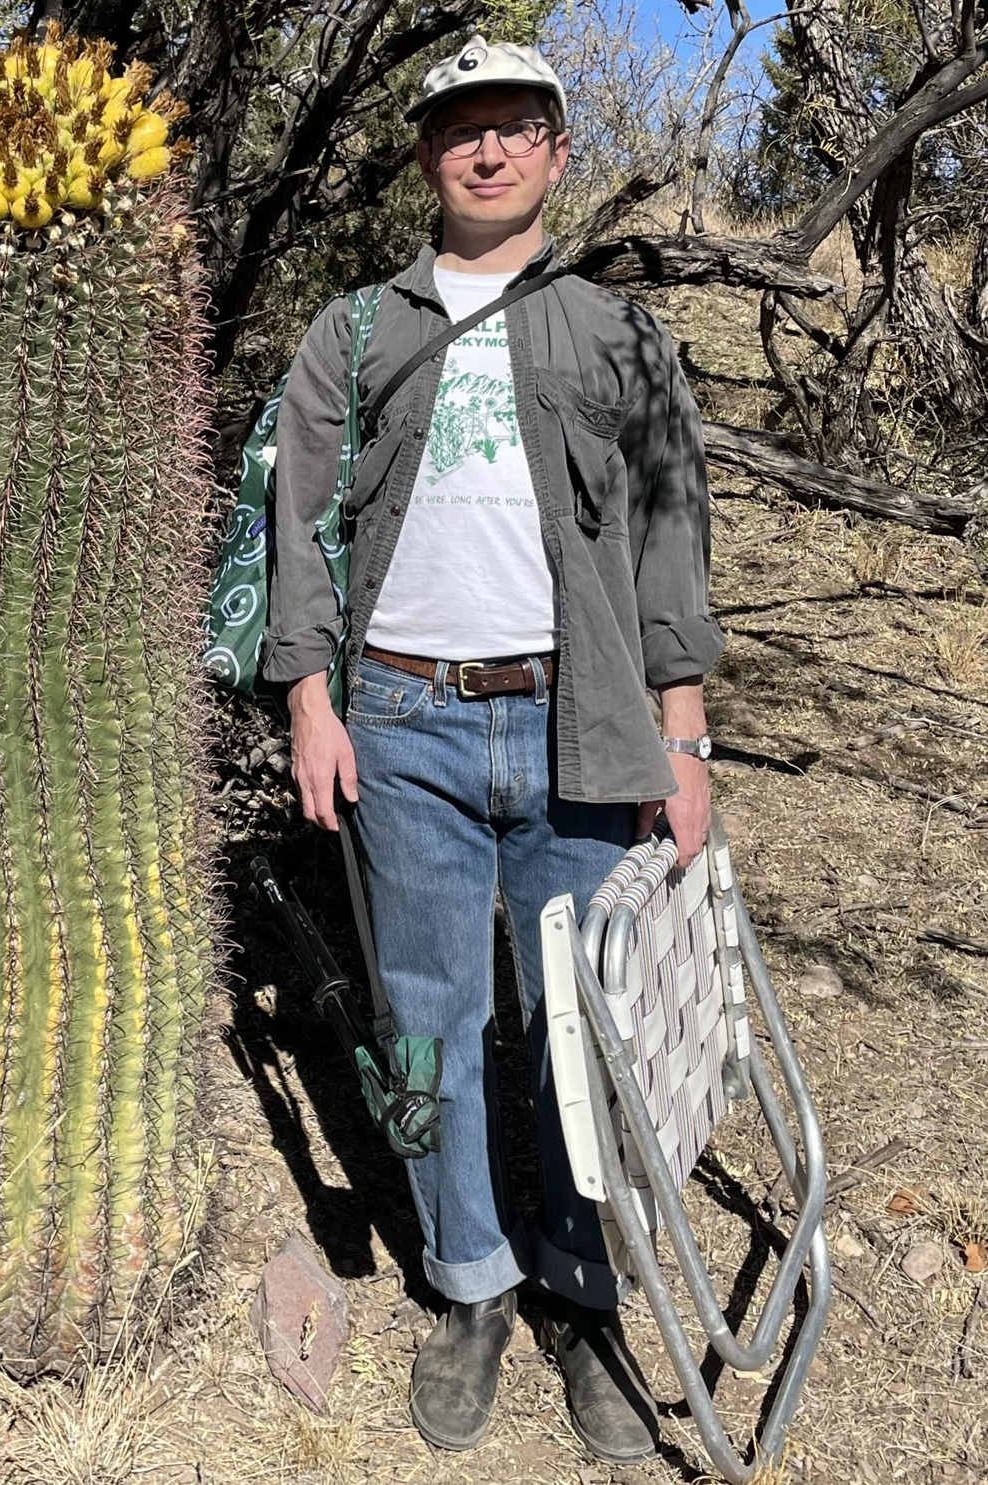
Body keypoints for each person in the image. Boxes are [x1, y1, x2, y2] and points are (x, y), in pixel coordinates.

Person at [259, 36, 725, 1465]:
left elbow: (667, 535)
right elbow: (300, 532)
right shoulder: (351, 333)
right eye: (459, 128)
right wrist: (310, 701)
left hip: (576, 720)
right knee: (421, 1023)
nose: (485, 150)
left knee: (584, 1032)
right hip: (399, 721)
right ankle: (467, 1281)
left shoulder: (615, 332)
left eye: (514, 126)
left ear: (555, 152)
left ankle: (582, 1295)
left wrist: (684, 733)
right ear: (425, 157)